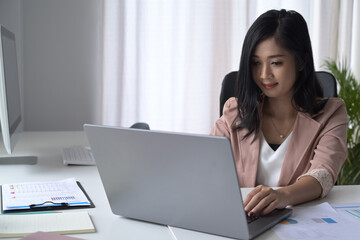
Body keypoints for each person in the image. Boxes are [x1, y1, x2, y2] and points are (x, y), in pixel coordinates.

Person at [211, 9, 348, 217]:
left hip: (301, 223)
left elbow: (324, 175)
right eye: (256, 63)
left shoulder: (332, 113)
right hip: (243, 221)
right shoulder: (234, 112)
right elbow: (206, 166)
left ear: (301, 61)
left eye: (276, 63)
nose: (264, 74)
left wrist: (282, 196)